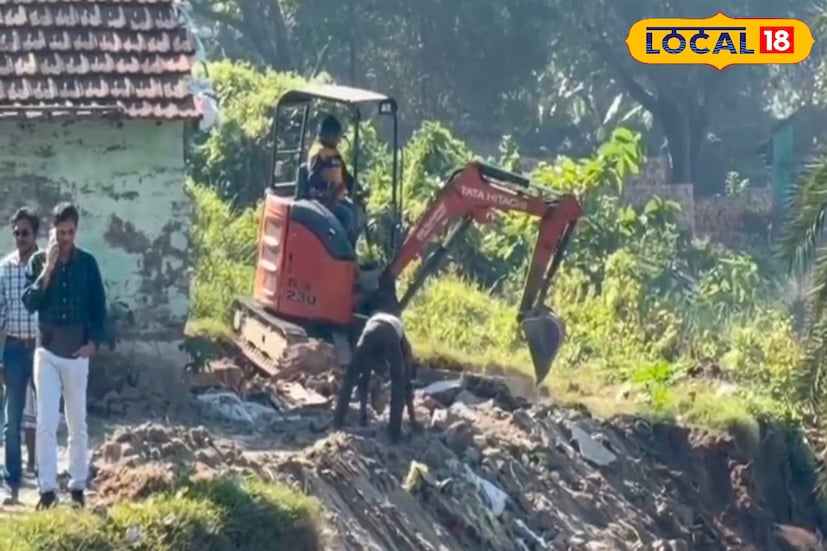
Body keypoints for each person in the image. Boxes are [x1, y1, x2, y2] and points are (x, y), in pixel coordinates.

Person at [22, 202, 107, 510]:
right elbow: (30, 302)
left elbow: (99, 307)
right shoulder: (38, 261)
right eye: (60, 233)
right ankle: (46, 490)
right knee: (45, 421)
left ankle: (77, 486)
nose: (66, 238)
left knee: (77, 423)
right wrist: (48, 270)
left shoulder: (88, 264)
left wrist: (94, 344)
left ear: (77, 230)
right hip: (46, 350)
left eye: (70, 232)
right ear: (52, 232)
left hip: (77, 352)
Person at [0, 208, 40, 504]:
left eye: (25, 232)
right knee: (11, 418)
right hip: (14, 349)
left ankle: (42, 475)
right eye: (16, 233)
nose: (20, 238)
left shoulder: (46, 264)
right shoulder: (5, 268)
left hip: (41, 348)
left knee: (45, 414)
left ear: (35, 235)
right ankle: (12, 480)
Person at [332, 308, 418, 442]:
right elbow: (405, 382)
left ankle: (337, 421)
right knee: (398, 386)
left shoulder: (390, 336)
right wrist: (412, 418)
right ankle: (394, 434)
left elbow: (364, 380)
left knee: (350, 377)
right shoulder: (401, 341)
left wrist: (363, 417)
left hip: (369, 331)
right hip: (389, 333)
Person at [307, 114, 357, 242]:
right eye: (336, 135)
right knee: (347, 217)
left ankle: (350, 251)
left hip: (337, 199)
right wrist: (327, 190)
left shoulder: (334, 154)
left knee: (356, 212)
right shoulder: (318, 153)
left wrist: (357, 188)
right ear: (328, 134)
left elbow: (345, 176)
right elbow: (313, 180)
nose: (338, 139)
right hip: (323, 202)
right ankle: (340, 253)